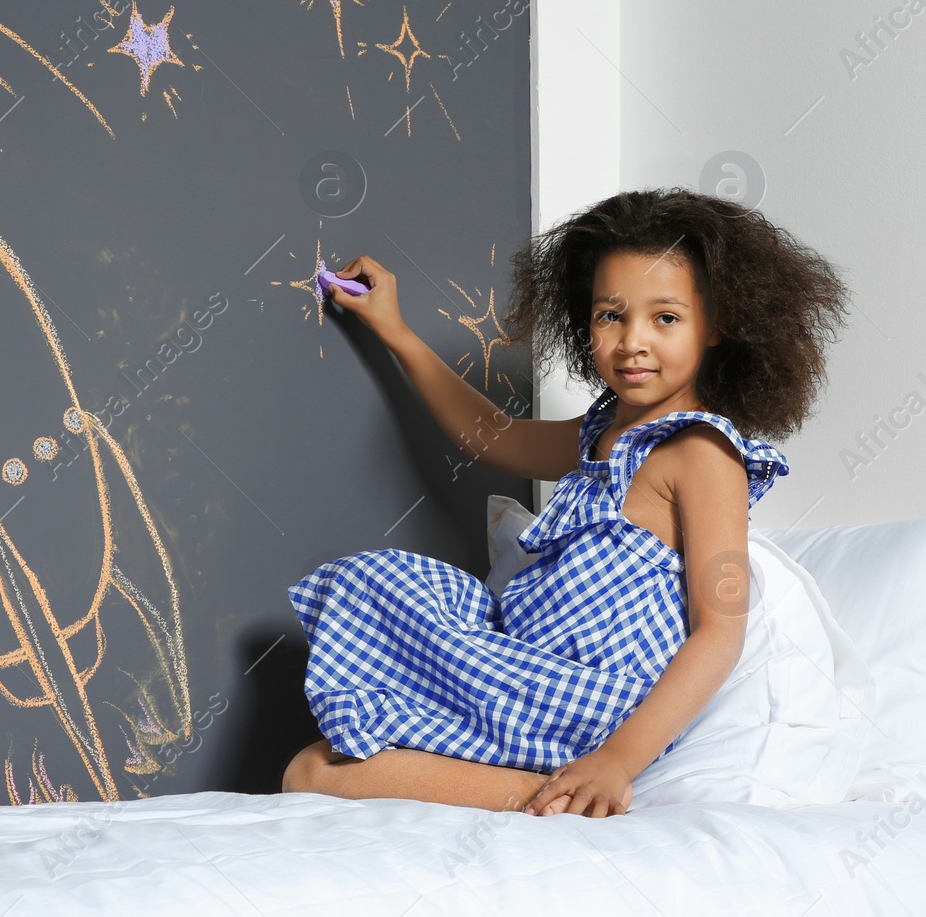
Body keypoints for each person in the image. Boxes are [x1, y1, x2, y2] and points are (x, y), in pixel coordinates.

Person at [280, 187, 849, 818]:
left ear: (716, 327)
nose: (633, 341)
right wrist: (395, 330)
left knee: (310, 774)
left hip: (592, 705)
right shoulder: (601, 434)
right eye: (611, 315)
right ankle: (541, 793)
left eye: (665, 318)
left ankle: (559, 797)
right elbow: (489, 435)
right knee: (333, 698)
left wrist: (618, 760)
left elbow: (720, 632)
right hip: (528, 667)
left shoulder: (702, 455)